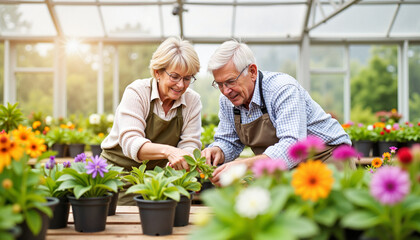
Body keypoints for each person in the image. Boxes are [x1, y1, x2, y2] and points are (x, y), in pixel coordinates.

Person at [201, 40, 353, 186]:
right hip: (289, 169)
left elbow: (292, 145)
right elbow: (229, 141)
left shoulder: (282, 89)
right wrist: (218, 150)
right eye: (219, 84)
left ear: (252, 72)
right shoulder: (227, 101)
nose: (226, 90)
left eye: (230, 81)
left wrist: (242, 166)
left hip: (327, 158)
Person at [100, 37, 202, 204]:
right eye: (175, 76)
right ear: (157, 73)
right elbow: (131, 142)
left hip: (160, 179)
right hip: (121, 174)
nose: (181, 85)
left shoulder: (192, 100)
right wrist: (170, 152)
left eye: (187, 78)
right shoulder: (138, 92)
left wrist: (184, 157)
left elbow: (191, 144)